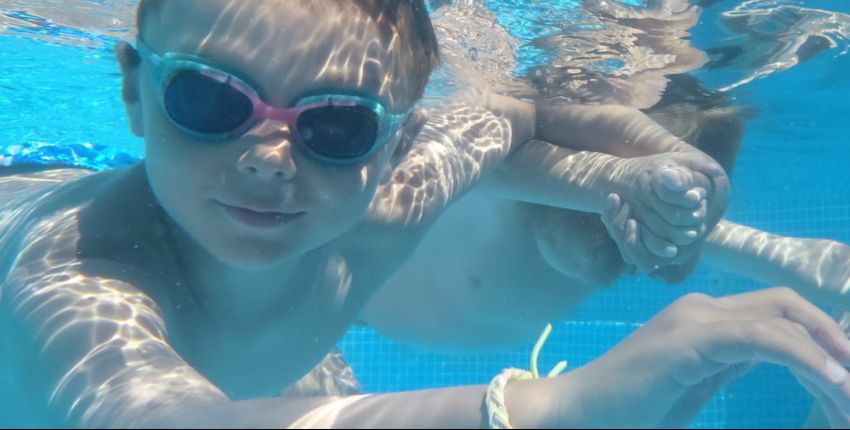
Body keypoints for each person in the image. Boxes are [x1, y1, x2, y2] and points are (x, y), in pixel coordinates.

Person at [0, 0, 848, 428]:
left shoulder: (390, 189)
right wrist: (548, 407)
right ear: (131, 92)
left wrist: (640, 164)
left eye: (335, 124)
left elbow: (518, 115)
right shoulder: (77, 274)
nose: (268, 156)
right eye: (209, 100)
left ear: (396, 138)